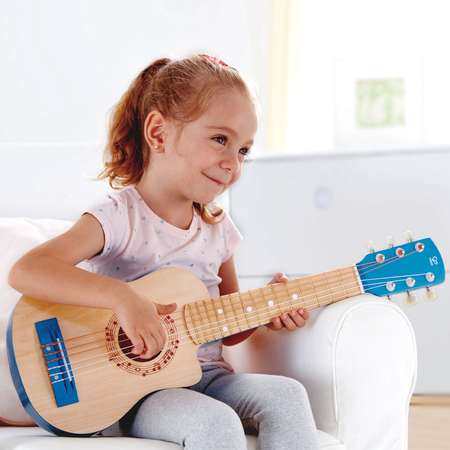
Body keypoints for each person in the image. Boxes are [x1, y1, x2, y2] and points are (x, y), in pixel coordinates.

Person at [8, 53, 320, 450]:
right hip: (141, 392)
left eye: (243, 150)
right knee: (216, 423)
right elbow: (27, 270)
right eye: (220, 140)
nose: (233, 164)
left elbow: (227, 326)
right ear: (158, 133)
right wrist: (123, 298)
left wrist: (267, 309)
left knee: (288, 397)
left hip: (209, 377)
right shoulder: (119, 217)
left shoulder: (218, 229)